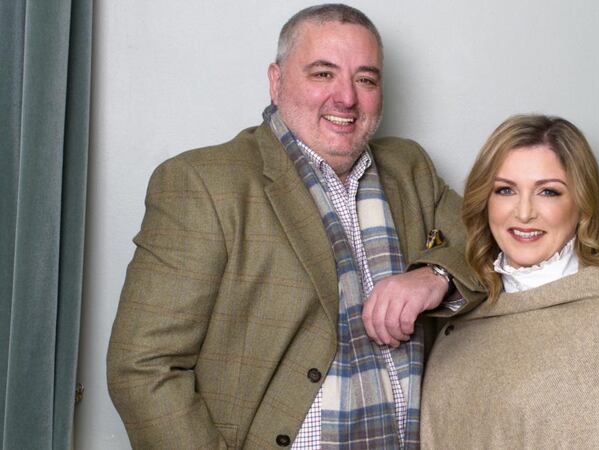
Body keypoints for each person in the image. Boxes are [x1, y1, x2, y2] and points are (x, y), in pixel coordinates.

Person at [106, 4, 481, 449]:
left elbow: (490, 240)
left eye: (365, 79)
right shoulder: (205, 183)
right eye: (323, 74)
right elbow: (142, 366)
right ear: (276, 80)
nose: (346, 97)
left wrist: (434, 274)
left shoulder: (410, 167)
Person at [420, 114, 599, 449]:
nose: (524, 212)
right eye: (505, 190)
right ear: (486, 201)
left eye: (548, 191)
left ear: (582, 205)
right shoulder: (465, 309)